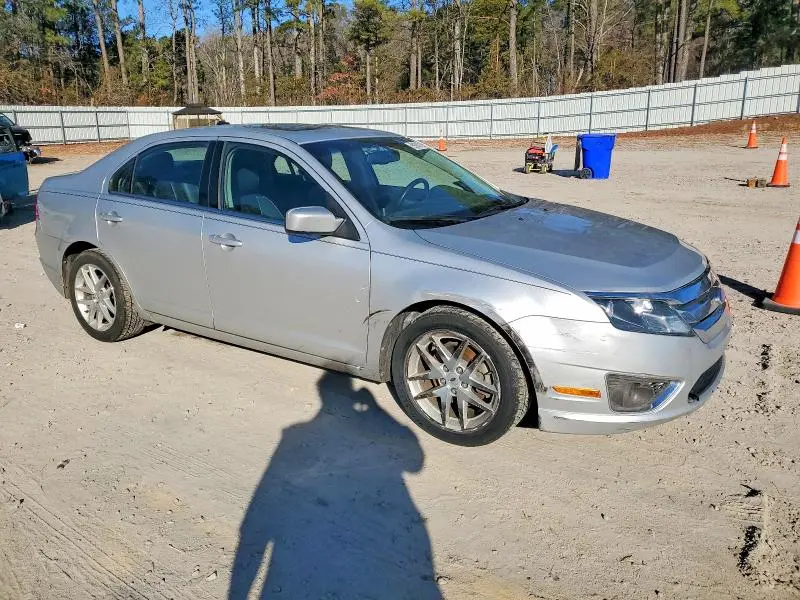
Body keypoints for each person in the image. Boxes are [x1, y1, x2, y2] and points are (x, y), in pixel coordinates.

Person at [229, 372, 442, 600]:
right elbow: (415, 463)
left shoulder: (294, 436)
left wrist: (236, 594)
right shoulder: (296, 436)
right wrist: (375, 408)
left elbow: (254, 522)